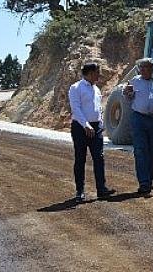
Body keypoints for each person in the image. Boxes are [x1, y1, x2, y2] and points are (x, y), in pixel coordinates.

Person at [123, 58, 153, 195]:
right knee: (140, 150)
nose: (143, 70)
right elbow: (128, 98)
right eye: (141, 68)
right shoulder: (134, 81)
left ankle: (149, 180)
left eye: (146, 68)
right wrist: (126, 92)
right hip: (139, 118)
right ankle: (144, 183)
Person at [67, 62, 116, 202]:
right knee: (80, 159)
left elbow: (97, 108)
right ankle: (80, 191)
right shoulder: (76, 88)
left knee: (99, 158)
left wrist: (100, 123)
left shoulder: (96, 89)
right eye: (97, 72)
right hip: (80, 127)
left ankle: (101, 189)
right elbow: (76, 108)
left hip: (96, 128)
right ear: (89, 73)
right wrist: (86, 125)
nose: (99, 75)